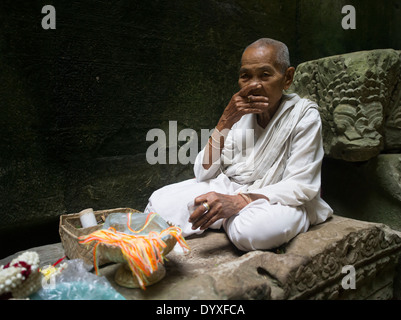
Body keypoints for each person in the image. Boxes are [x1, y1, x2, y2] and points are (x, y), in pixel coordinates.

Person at [144, 38, 333, 251]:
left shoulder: (304, 115)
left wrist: (237, 201)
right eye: (246, 76)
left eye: (265, 75)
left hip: (282, 199)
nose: (253, 85)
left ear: (287, 78)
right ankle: (225, 216)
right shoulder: (241, 115)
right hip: (234, 187)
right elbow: (203, 173)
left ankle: (225, 215)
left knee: (251, 231)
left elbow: (300, 185)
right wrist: (226, 119)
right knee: (159, 204)